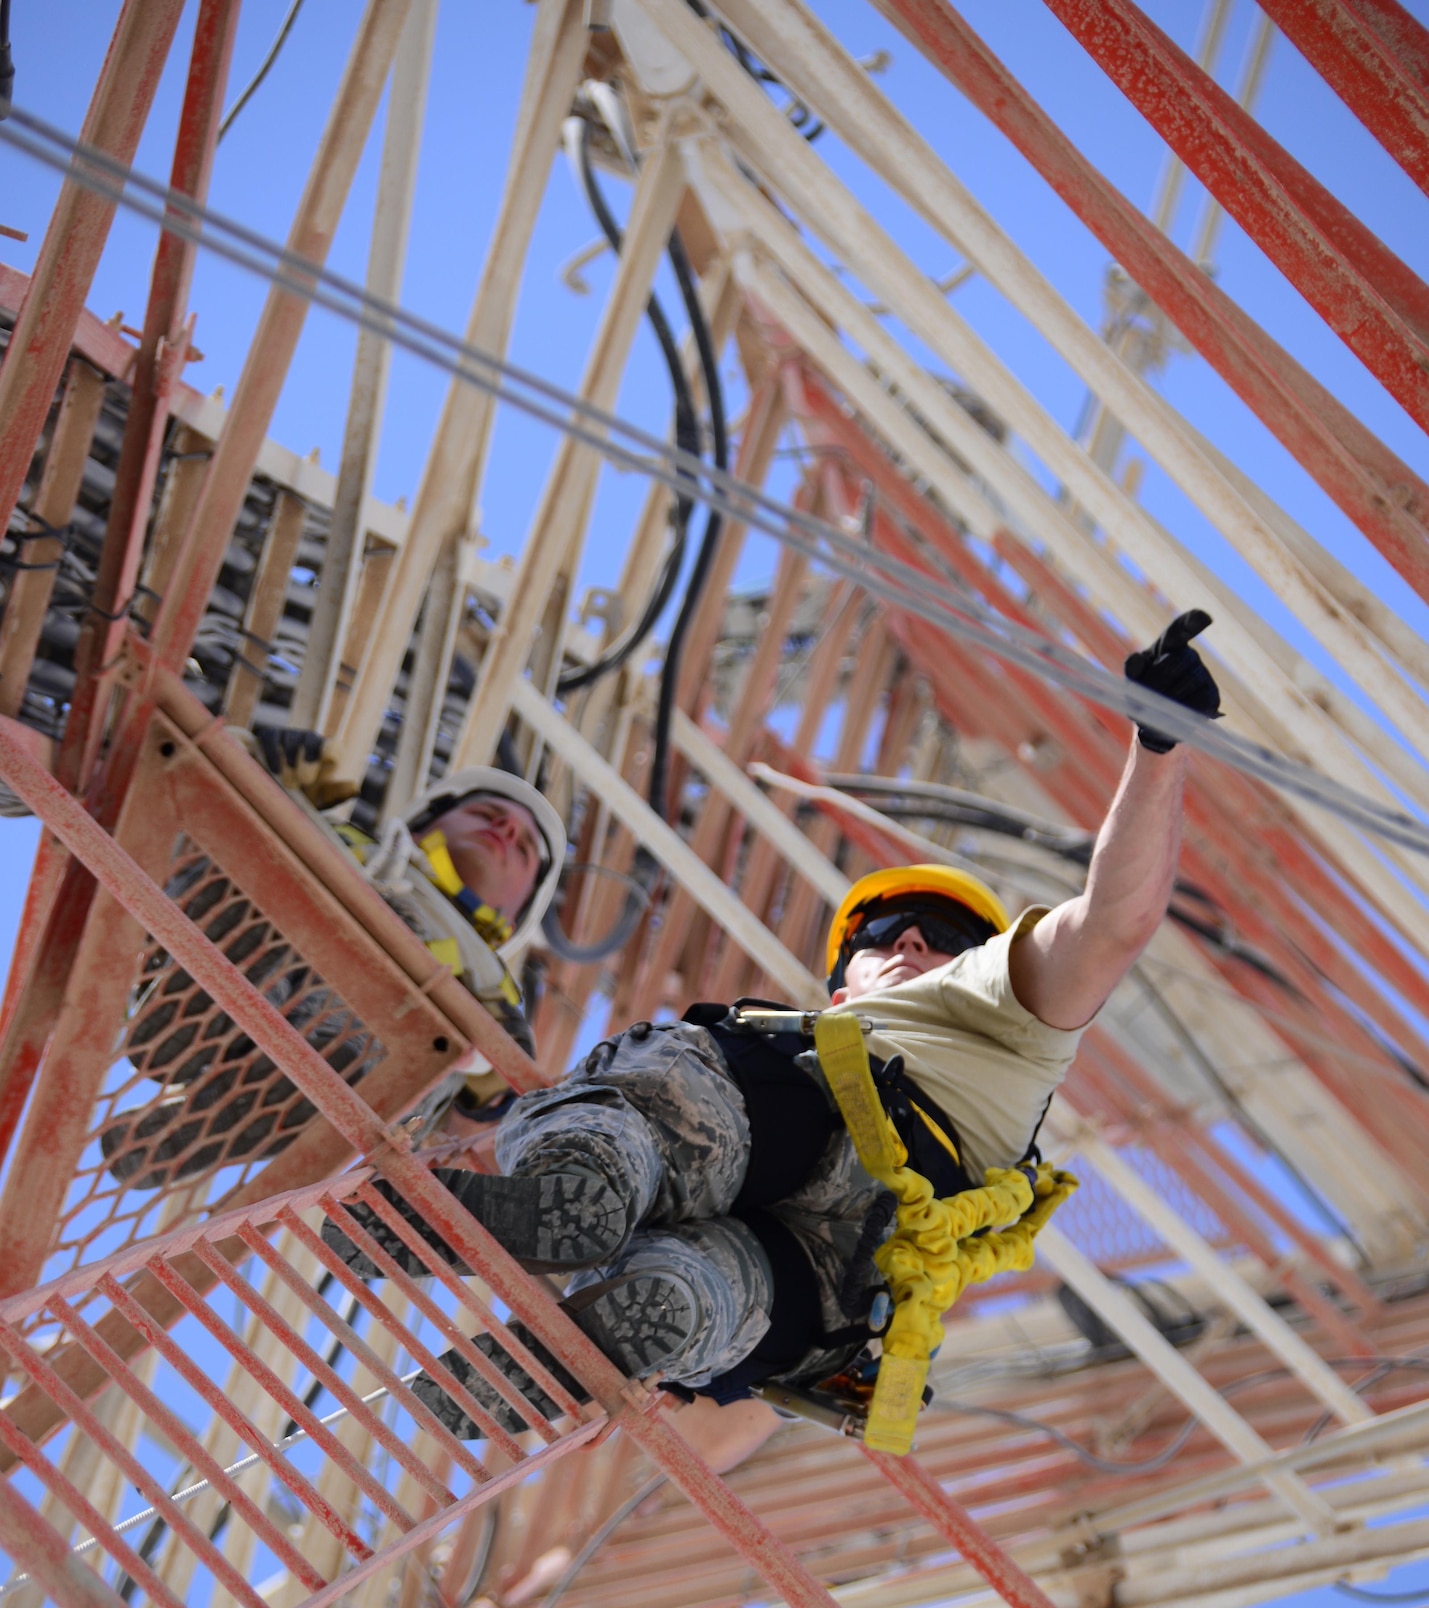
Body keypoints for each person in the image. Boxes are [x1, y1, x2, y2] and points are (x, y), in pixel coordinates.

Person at [327, 613, 1221, 1470]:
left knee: (666, 1091)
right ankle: (642, 1312)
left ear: (984, 960)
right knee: (702, 1295)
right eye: (890, 930)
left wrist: (1156, 749)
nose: (913, 943)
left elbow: (1113, 922)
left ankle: (584, 1192)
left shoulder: (1008, 1008)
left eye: (943, 936)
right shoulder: (875, 1027)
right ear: (842, 984)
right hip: (842, 1272)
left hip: (811, 1123)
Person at [101, 735, 565, 1188]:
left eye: (522, 847)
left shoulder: (491, 986)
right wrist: (262, 772)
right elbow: (195, 799)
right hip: (265, 935)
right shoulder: (330, 834)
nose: (505, 830)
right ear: (422, 824)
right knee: (263, 853)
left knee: (380, 1075)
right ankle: (176, 1026)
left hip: (348, 1048)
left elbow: (471, 1132)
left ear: (514, 916)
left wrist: (496, 1074)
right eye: (488, 814)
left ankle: (184, 1134)